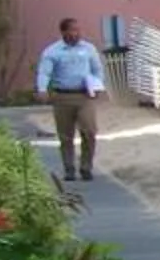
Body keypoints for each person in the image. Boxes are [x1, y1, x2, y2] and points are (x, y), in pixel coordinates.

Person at [35, 17, 107, 181]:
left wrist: (97, 86)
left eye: (78, 30)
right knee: (66, 135)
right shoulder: (52, 51)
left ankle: (86, 167)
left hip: (84, 96)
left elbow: (97, 70)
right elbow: (44, 72)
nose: (76, 33)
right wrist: (42, 89)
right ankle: (69, 168)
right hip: (62, 96)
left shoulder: (88, 49)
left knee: (89, 131)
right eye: (73, 30)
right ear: (64, 32)